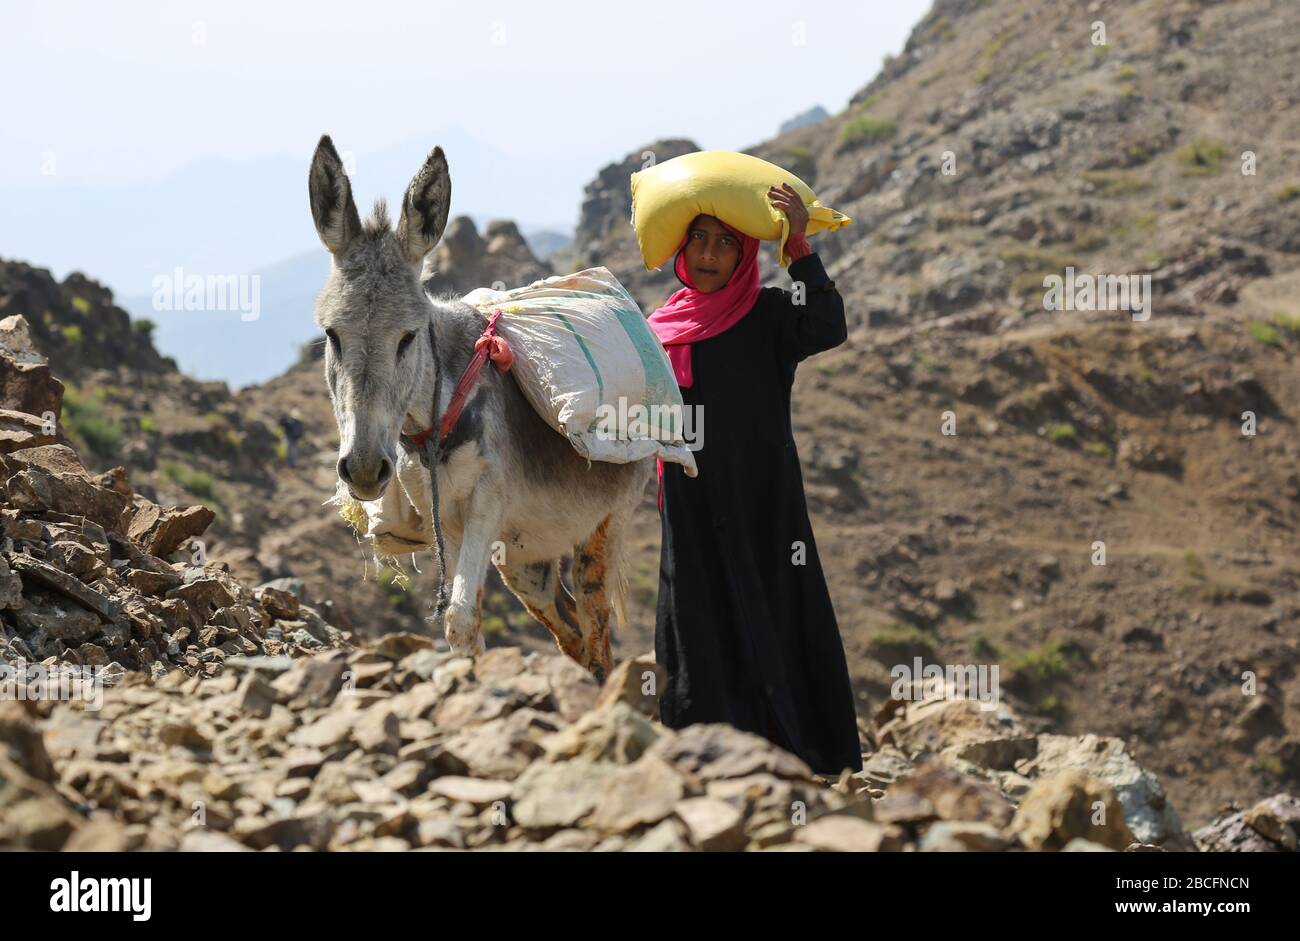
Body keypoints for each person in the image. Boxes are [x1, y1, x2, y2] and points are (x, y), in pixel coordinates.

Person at [647, 184, 862, 777]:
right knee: (700, 618)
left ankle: (804, 755)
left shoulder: (766, 314)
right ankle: (706, 755)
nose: (710, 254)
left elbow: (827, 325)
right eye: (699, 239)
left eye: (726, 244)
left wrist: (798, 247)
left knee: (775, 610)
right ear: (680, 250)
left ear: (747, 257)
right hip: (689, 502)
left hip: (764, 502)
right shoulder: (657, 327)